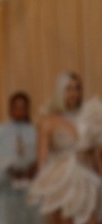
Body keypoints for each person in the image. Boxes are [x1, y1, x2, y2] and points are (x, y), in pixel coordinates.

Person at [28, 71, 102, 224]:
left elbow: (96, 154)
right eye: (69, 88)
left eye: (77, 88)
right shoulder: (49, 121)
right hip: (59, 180)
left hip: (87, 180)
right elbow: (42, 160)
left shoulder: (89, 117)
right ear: (60, 91)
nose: (74, 93)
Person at [0, 91, 43, 224]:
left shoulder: (35, 131)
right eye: (16, 107)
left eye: (23, 107)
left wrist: (33, 168)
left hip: (30, 189)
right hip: (6, 190)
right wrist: (8, 169)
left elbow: (41, 156)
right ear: (10, 108)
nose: (19, 110)